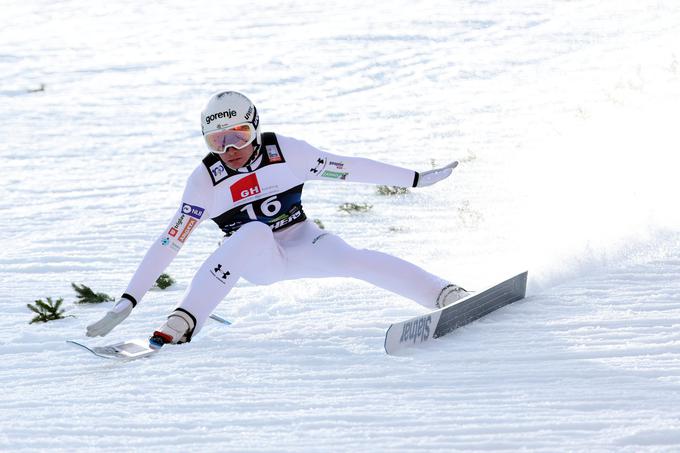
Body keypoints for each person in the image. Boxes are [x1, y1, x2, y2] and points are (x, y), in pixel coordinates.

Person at [86, 91, 467, 347]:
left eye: (238, 135)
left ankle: (445, 294)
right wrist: (128, 300)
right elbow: (171, 241)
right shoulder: (205, 182)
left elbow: (346, 169)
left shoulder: (287, 152)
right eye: (217, 141)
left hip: (304, 243)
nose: (230, 149)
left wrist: (414, 178)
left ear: (255, 127)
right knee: (252, 232)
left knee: (353, 258)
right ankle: (183, 320)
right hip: (258, 260)